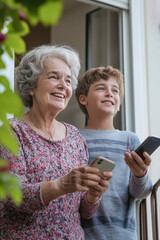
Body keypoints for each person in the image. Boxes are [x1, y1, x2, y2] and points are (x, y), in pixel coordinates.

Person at [0, 45, 113, 239]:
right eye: (54, 77)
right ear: (31, 86)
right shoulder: (11, 132)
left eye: (68, 80)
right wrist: (61, 185)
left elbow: (84, 212)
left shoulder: (76, 137)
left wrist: (93, 195)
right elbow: (13, 196)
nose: (63, 85)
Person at [75, 66, 153, 240]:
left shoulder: (130, 139)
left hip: (123, 233)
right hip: (84, 233)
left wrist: (141, 175)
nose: (109, 93)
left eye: (115, 90)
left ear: (119, 104)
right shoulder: (74, 138)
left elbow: (141, 193)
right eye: (101, 88)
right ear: (83, 99)